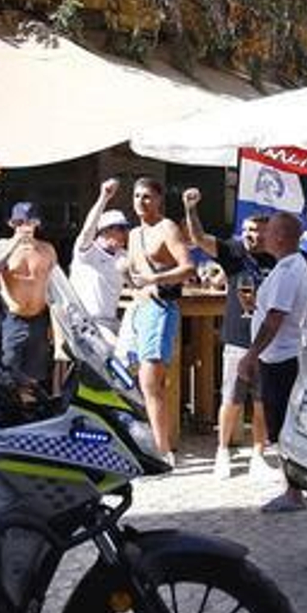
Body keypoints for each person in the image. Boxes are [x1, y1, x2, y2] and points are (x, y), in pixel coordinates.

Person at [185, 201, 276, 479]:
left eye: (257, 230)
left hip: (268, 342)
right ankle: (222, 452)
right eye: (247, 229)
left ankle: (259, 455)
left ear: (268, 233)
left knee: (262, 402)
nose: (251, 235)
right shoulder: (234, 253)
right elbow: (199, 238)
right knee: (231, 399)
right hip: (238, 339)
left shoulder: (279, 258)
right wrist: (191, 209)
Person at [238, 211, 307, 513]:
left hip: (282, 357)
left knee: (282, 426)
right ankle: (295, 486)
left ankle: (293, 492)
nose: (263, 235)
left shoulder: (287, 271)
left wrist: (250, 355)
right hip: (283, 355)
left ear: (281, 237)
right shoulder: (291, 266)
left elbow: (274, 319)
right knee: (284, 422)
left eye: (269, 231)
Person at [123, 177, 199, 467]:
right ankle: (148, 444)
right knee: (130, 378)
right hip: (138, 309)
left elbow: (188, 267)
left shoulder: (167, 227)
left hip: (160, 308)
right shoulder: (133, 234)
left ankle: (163, 451)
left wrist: (157, 278)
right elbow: (135, 275)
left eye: (147, 196)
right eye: (137, 196)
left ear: (158, 200)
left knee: (151, 382)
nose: (141, 202)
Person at [0, 202, 57, 384]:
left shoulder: (47, 249)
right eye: (20, 222)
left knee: (35, 377)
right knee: (8, 374)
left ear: (37, 223)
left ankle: (32, 402)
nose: (25, 226)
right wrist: (15, 243)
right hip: (13, 318)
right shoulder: (3, 245)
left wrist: (55, 323)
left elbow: (57, 286)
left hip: (39, 319)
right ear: (12, 224)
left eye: (30, 222)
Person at [68, 177, 133, 334]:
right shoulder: (87, 251)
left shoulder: (123, 256)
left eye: (125, 229)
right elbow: (87, 230)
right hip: (85, 323)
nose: (124, 234)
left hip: (111, 322)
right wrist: (104, 197)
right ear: (104, 230)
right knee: (116, 349)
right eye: (120, 229)